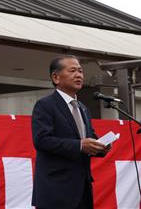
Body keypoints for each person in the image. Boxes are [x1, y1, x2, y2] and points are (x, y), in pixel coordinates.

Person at [31, 55, 110, 209]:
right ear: (56, 77)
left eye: (80, 71)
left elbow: (89, 139)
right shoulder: (45, 105)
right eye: (72, 70)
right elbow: (41, 140)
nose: (79, 75)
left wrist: (101, 147)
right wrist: (80, 145)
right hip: (56, 191)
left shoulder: (83, 108)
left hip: (83, 190)